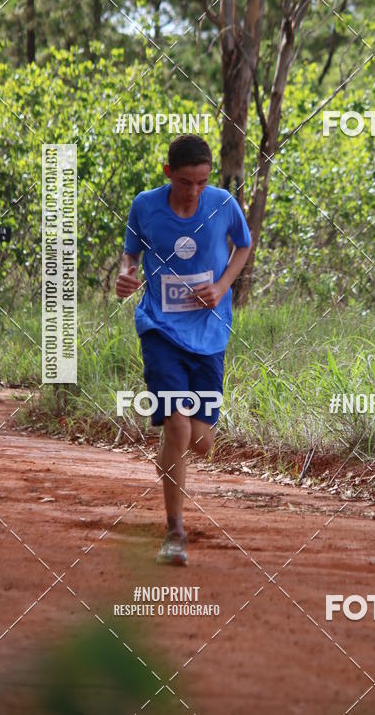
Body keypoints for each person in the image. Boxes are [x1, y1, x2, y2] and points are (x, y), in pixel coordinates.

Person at [116, 135, 251, 565]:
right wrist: (126, 275)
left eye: (202, 182)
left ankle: (167, 458)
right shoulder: (145, 205)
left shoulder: (223, 204)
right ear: (168, 173)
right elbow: (130, 256)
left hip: (210, 333)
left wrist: (223, 285)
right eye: (186, 182)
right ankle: (175, 532)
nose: (194, 191)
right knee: (177, 428)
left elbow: (243, 246)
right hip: (160, 328)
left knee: (201, 442)